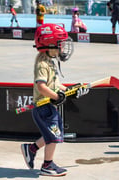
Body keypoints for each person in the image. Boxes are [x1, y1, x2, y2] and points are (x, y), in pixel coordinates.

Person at [20, 23, 89, 177]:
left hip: (49, 106)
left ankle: (31, 149)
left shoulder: (50, 61)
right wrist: (57, 97)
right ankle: (47, 165)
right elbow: (41, 87)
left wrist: (72, 90)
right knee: (54, 137)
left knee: (55, 134)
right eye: (61, 45)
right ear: (49, 44)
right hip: (43, 107)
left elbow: (56, 85)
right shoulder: (42, 64)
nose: (63, 49)